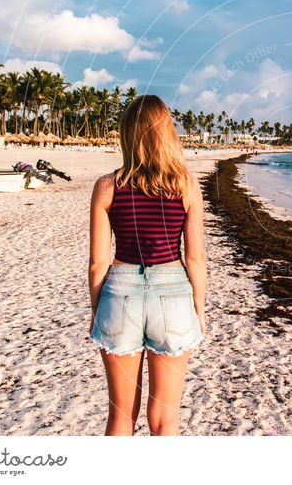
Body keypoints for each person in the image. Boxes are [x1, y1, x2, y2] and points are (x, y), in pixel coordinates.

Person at [88, 94, 207, 436]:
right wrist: (198, 307)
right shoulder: (184, 184)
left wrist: (97, 309)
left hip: (119, 292)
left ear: (127, 134)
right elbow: (196, 257)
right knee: (165, 420)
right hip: (172, 292)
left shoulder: (108, 187)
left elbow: (98, 261)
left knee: (121, 417)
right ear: (167, 133)